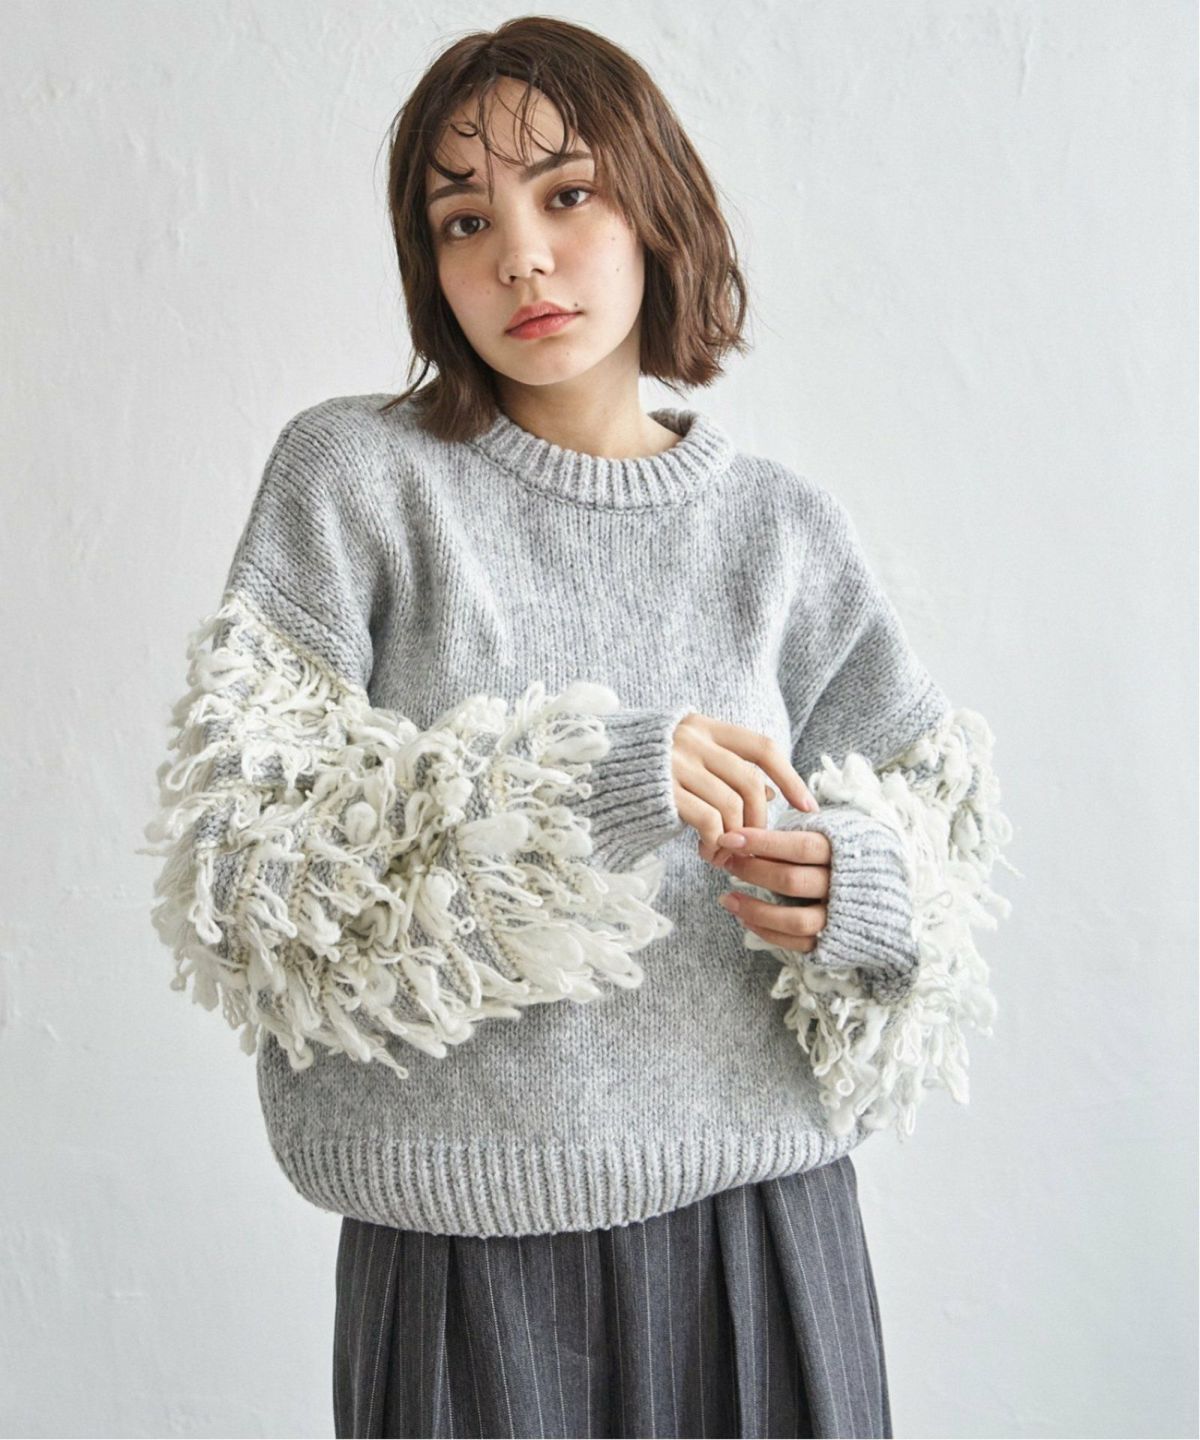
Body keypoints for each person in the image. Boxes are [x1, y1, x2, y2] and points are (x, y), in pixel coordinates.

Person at [140, 15, 1018, 1439]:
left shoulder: (781, 533)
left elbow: (946, 848)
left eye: (568, 194)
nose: (522, 257)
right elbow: (250, 866)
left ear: (656, 206)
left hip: (764, 1233)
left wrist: (857, 885)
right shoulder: (354, 482)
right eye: (464, 220)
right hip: (458, 1254)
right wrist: (584, 785)